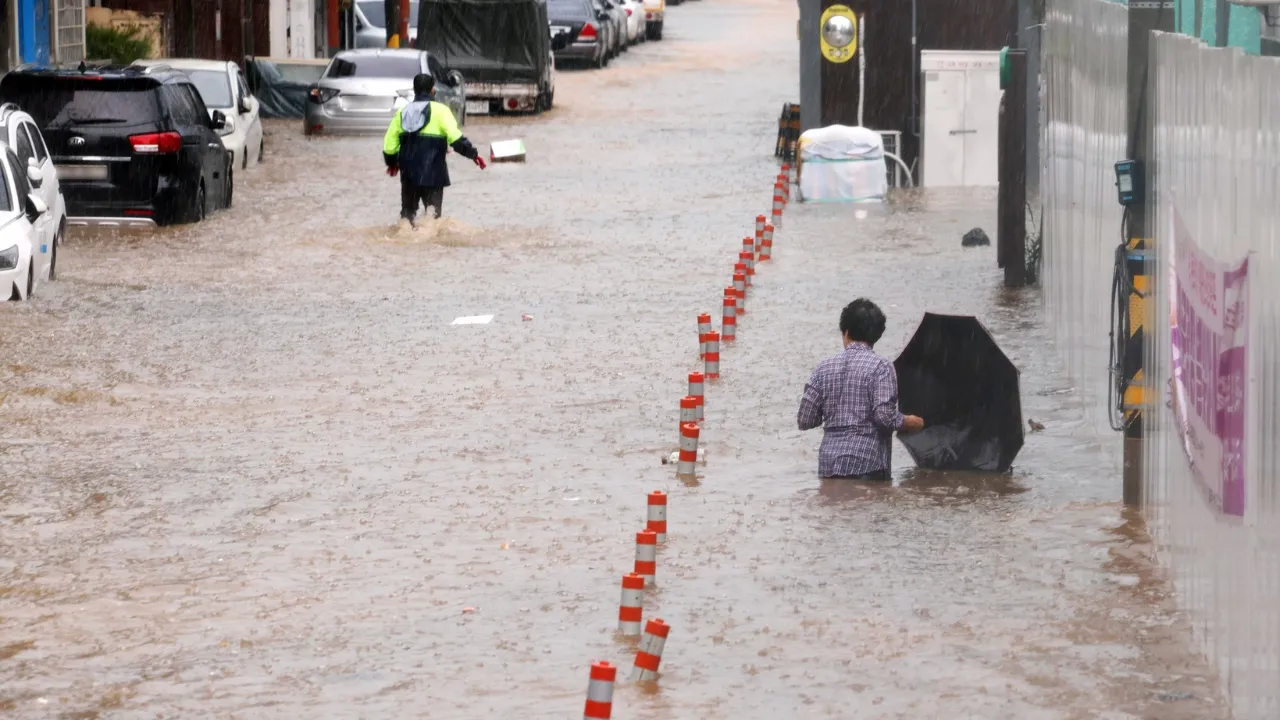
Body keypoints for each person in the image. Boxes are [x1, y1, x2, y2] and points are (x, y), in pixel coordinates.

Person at [797, 298, 925, 480]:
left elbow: (805, 419)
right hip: (868, 465)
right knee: (867, 507)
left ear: (845, 331)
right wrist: (909, 421)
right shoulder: (881, 367)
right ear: (877, 335)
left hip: (829, 466)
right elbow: (884, 417)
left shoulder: (823, 368)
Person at [382, 73, 486, 226]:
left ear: (415, 90)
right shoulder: (441, 111)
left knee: (407, 217)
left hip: (409, 174)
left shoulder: (402, 112)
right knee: (433, 220)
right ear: (432, 90)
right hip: (434, 174)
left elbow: (389, 145)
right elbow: (456, 139)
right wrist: (473, 155)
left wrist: (392, 163)